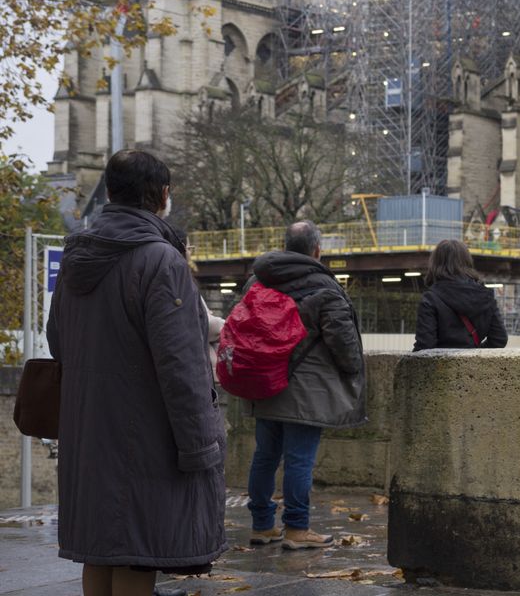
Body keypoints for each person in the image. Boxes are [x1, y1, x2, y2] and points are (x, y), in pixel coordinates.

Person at [46, 149, 227, 596]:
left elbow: (57, 341)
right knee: (137, 550)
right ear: (163, 195)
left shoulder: (76, 257)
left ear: (109, 192)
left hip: (88, 431)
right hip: (144, 436)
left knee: (99, 549)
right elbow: (182, 367)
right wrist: (200, 447)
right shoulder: (161, 261)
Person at [244, 221, 366, 549]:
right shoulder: (325, 286)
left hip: (265, 383)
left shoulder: (258, 279)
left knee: (265, 456)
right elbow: (343, 342)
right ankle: (297, 529)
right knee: (299, 460)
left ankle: (261, 525)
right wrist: (353, 370)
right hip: (307, 391)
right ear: (317, 250)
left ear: (285, 245)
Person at [413, 239, 508, 350]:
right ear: (467, 262)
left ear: (435, 263)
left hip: (442, 361)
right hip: (474, 361)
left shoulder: (430, 298)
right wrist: (474, 352)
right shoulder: (486, 296)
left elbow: (425, 346)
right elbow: (499, 339)